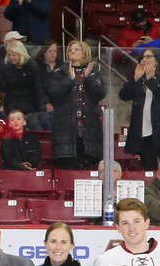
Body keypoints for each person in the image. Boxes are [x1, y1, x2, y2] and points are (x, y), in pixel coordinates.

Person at [120, 48, 160, 170]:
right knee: (149, 173)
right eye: (143, 57)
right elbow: (123, 95)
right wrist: (135, 79)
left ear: (157, 61)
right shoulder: (139, 79)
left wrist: (151, 80)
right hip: (144, 135)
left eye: (149, 56)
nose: (144, 59)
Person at [47, 39, 107, 169]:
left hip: (89, 129)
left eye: (76, 49)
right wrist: (70, 79)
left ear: (84, 53)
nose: (72, 51)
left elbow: (100, 94)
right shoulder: (60, 72)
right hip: (66, 130)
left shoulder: (93, 72)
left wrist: (88, 76)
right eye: (70, 50)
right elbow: (54, 95)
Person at [0, 41, 47, 123]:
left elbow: (38, 88)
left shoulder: (31, 66)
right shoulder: (5, 67)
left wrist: (42, 105)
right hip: (12, 103)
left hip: (30, 103)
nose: (11, 57)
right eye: (9, 55)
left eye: (14, 55)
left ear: (21, 54)